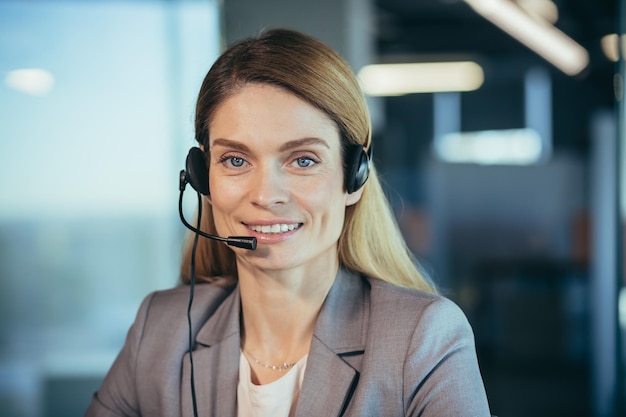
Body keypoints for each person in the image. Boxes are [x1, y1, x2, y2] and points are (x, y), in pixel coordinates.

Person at [85, 28, 492, 417]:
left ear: (355, 176)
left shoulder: (422, 339)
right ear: (201, 176)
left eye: (303, 160)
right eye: (236, 160)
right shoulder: (160, 330)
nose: (266, 195)